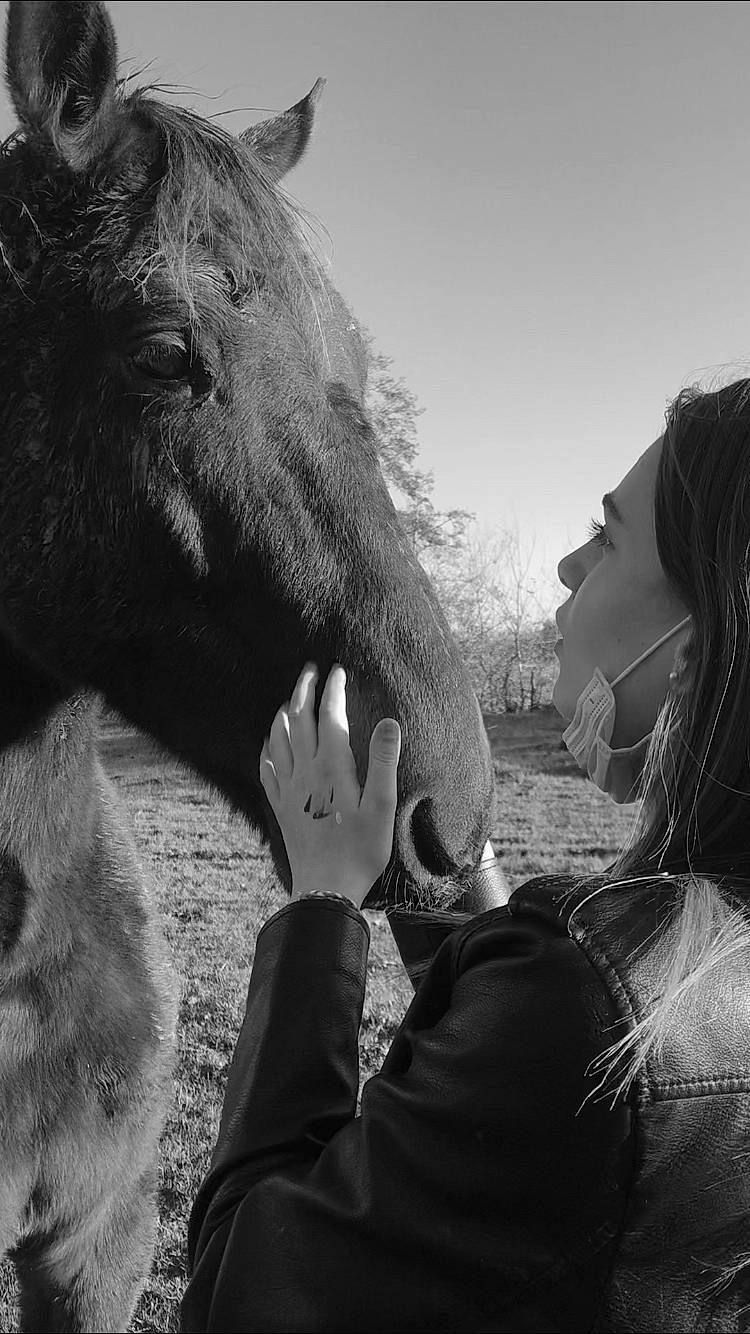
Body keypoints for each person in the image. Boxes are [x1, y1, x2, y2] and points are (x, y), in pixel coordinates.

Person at [179, 380, 750, 1334]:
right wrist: (450, 855)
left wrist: (322, 902)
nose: (569, 567)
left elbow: (242, 1293)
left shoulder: (596, 1011)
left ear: (696, 645)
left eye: (608, 538)